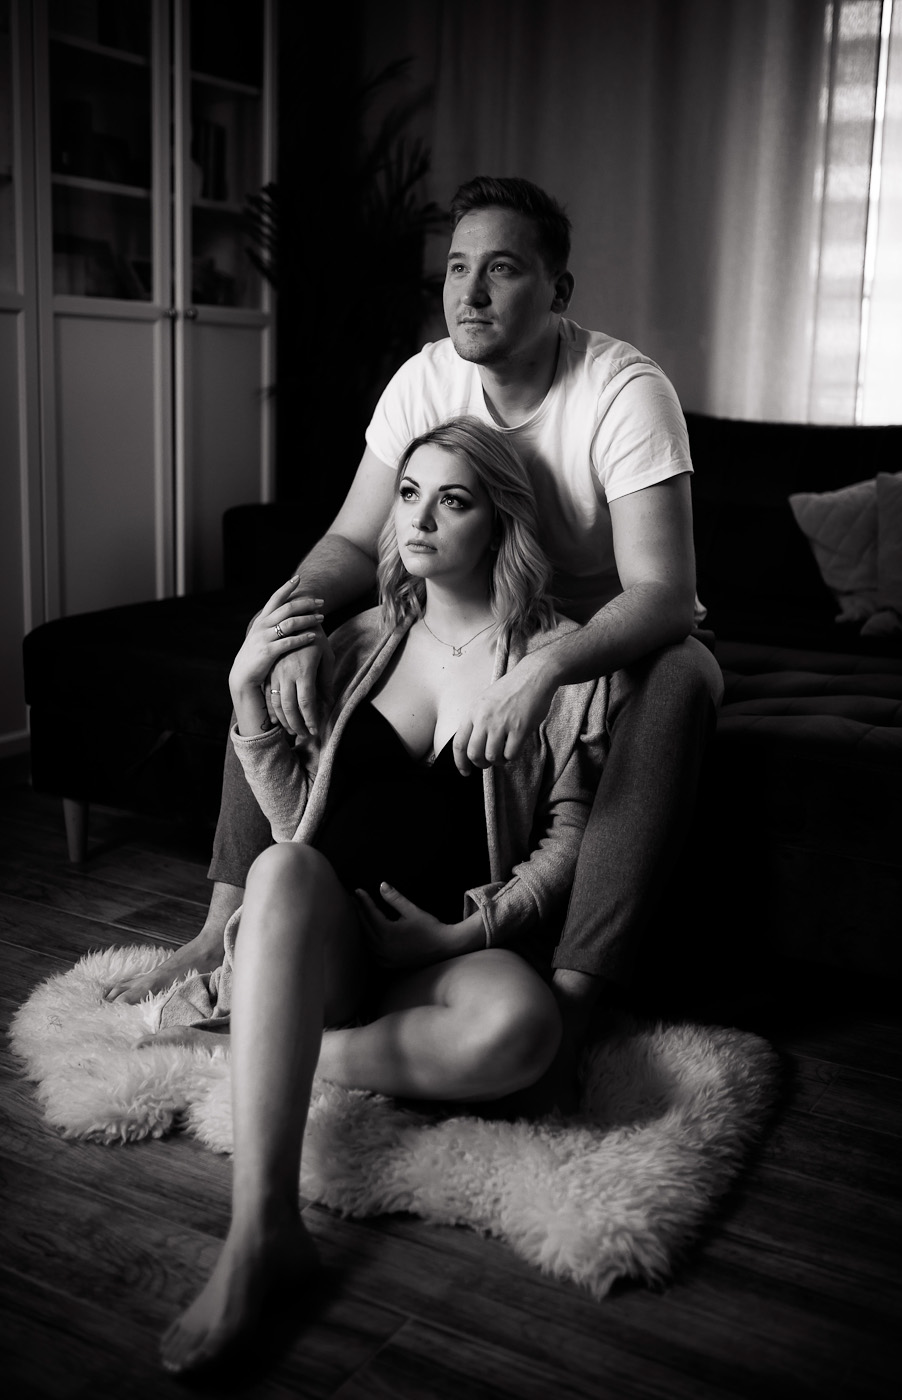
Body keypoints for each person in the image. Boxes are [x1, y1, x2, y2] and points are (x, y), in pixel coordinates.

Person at [106, 174, 722, 1053]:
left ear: (557, 290)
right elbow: (352, 540)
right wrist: (295, 623)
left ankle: (579, 987)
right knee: (278, 629)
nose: (470, 292)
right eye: (457, 267)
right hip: (466, 607)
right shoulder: (425, 378)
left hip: (588, 633)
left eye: (501, 268)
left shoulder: (621, 389)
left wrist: (542, 670)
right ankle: (220, 929)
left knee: (685, 673)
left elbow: (663, 593)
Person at [152, 416, 608, 1373]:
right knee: (280, 868)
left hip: (447, 954)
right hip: (326, 937)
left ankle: (265, 1044)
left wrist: (461, 935)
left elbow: (571, 836)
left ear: (498, 521)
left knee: (524, 1033)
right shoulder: (357, 640)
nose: (419, 519)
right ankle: (262, 1232)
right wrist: (246, 700)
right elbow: (297, 821)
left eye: (452, 500)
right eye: (407, 494)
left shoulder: (558, 663)